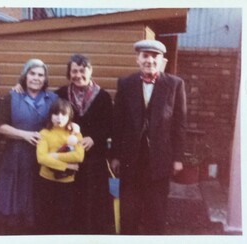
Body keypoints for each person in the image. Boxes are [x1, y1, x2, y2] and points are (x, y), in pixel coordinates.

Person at [110, 40, 187, 235]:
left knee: (156, 212)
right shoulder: (126, 84)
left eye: (155, 56)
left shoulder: (175, 85)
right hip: (131, 159)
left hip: (160, 159)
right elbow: (118, 123)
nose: (150, 60)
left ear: (163, 61)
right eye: (145, 56)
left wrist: (178, 158)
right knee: (129, 212)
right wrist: (116, 155)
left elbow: (179, 124)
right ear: (138, 59)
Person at [0, 59, 58, 234]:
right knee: (14, 203)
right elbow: (0, 127)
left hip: (41, 157)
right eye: (32, 73)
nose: (36, 78)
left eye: (40, 75)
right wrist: (25, 135)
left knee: (38, 203)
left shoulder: (53, 99)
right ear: (25, 75)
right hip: (16, 156)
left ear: (45, 79)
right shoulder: (12, 96)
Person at [56, 54, 113, 234]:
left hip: (93, 161)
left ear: (90, 71)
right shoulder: (61, 94)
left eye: (82, 70)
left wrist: (94, 138)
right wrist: (19, 85)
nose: (78, 74)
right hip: (68, 158)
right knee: (68, 203)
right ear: (69, 73)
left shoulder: (103, 96)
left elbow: (110, 125)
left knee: (91, 205)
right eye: (74, 70)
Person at [36, 98, 85, 234]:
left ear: (70, 117)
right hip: (46, 180)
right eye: (56, 114)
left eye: (64, 115)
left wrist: (55, 156)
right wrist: (67, 166)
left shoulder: (75, 134)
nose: (59, 118)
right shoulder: (44, 134)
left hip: (66, 183)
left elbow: (79, 156)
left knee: (64, 217)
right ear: (50, 115)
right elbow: (41, 158)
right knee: (45, 215)